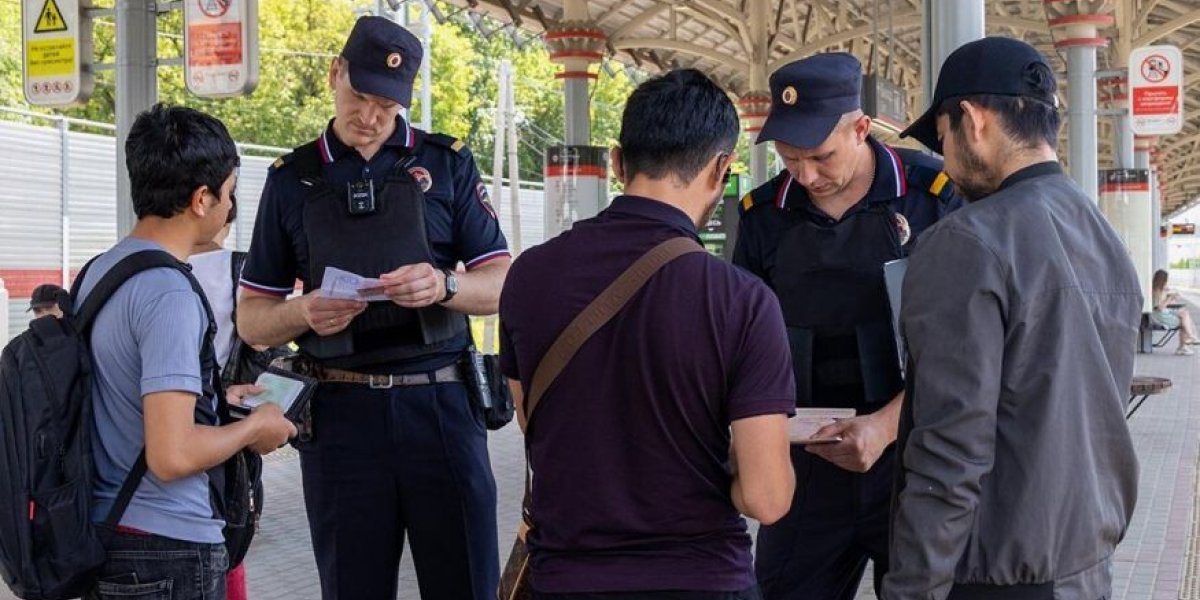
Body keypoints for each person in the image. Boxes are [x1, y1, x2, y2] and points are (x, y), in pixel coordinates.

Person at [236, 16, 510, 600]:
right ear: (335, 74)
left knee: (466, 582)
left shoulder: (446, 163)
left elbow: (504, 283)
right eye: (360, 97)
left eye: (387, 106)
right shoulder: (291, 179)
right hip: (339, 418)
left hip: (442, 406)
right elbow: (252, 318)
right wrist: (304, 311)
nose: (371, 117)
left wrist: (443, 286)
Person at [499, 68, 796, 600]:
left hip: (567, 579)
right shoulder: (743, 301)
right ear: (722, 167)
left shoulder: (529, 276)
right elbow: (767, 498)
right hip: (702, 580)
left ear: (617, 161)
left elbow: (535, 423)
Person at [883, 37, 1141, 600]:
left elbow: (951, 445)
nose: (944, 159)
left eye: (942, 136)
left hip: (994, 573)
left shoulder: (966, 241)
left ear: (972, 121)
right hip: (1085, 565)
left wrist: (910, 588)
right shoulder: (1104, 237)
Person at [732, 53, 961, 600]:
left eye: (820, 156)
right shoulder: (762, 215)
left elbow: (965, 347)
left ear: (861, 128)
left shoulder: (932, 196)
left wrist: (884, 427)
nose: (806, 175)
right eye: (790, 160)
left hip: (910, 461)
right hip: (802, 467)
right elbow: (742, 345)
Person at [78, 104, 296, 600]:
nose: (228, 206)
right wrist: (252, 428)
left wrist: (218, 400)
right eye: (229, 192)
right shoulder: (169, 293)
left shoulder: (101, 270)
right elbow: (172, 454)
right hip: (166, 546)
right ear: (202, 198)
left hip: (106, 530)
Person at [1151, 269, 1197, 355]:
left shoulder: (1158, 290)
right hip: (1159, 316)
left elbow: (1164, 305)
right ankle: (1184, 344)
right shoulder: (1156, 291)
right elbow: (1160, 307)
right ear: (1163, 280)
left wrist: (1170, 297)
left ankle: (1186, 342)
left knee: (1184, 314)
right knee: (1184, 321)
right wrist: (1170, 298)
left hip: (1161, 314)